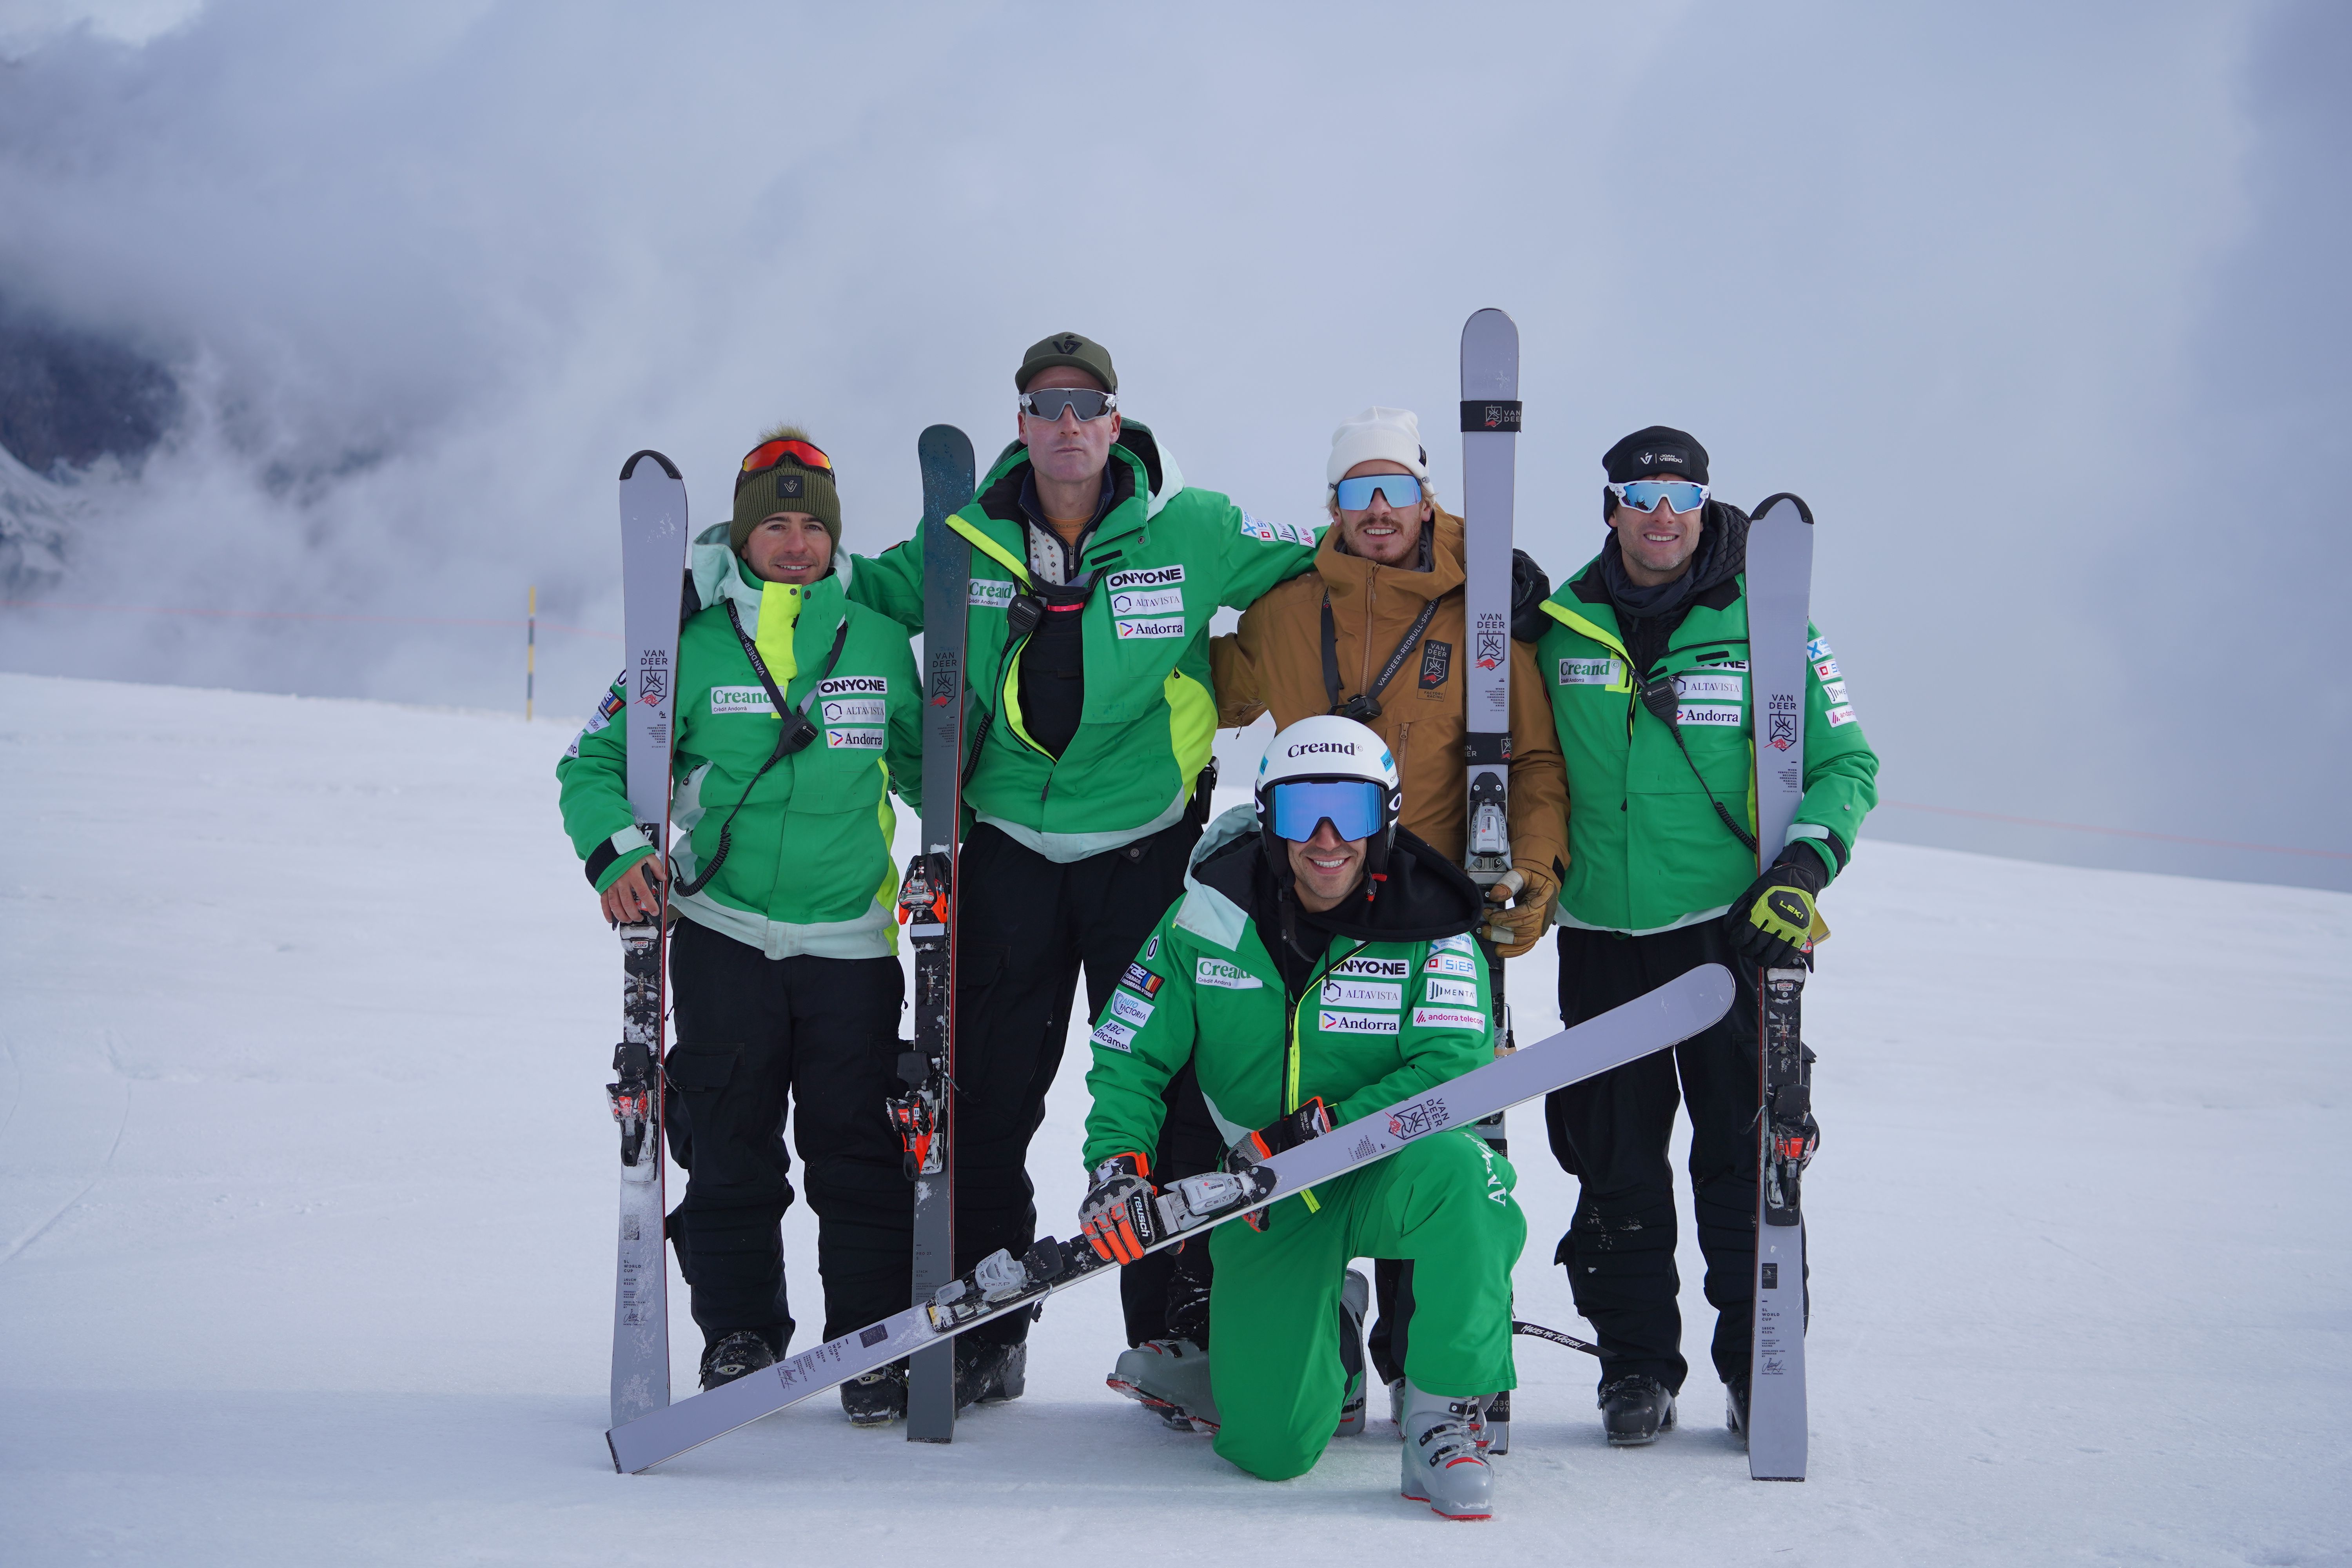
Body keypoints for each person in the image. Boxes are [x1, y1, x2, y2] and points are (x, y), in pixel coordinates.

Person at [843, 333, 1320, 1405]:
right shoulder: (960, 544)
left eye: (1087, 405)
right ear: (1021, 422)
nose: (1067, 425)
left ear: (1117, 424)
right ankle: (985, 1328)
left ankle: (1175, 1329)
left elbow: (1333, 550)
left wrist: (1474, 564)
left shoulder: (1194, 529)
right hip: (1005, 853)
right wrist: (721, 580)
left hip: (1146, 856)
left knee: (1167, 1098)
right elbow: (859, 592)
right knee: (990, 1097)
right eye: (1047, 405)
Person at [1108, 407, 1568, 1428]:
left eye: (1393, 492)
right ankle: (1270, 1325)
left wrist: (1533, 870)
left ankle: (1438, 1369)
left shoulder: (1487, 611)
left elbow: (1533, 760)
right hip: (1305, 906)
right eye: (1356, 495)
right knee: (1258, 1099)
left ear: (1425, 498)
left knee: (1450, 1135)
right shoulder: (1287, 610)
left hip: (1443, 917)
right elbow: (1197, 685)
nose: (1376, 514)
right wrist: (1104, 654)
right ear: (1333, 508)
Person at [557, 427, 928, 1424]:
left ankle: (868, 1338)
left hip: (850, 940)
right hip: (720, 933)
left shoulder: (881, 640)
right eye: (778, 525)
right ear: (745, 532)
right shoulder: (681, 639)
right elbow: (593, 764)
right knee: (726, 1141)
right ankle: (741, 1332)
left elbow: (935, 770)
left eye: (813, 525)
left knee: (855, 1148)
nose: (796, 544)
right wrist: (619, 851)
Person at [1077, 715, 1524, 1519]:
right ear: (1269, 816)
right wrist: (1116, 1166)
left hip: (1389, 1166)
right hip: (1265, 1190)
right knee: (1272, 1448)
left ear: (1383, 819)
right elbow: (1129, 1048)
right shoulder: (1206, 915)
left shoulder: (1435, 917)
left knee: (1473, 1177)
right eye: (1299, 812)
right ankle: (1330, 1349)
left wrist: (1325, 1126)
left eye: (1349, 814)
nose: (1325, 839)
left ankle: (1443, 1415)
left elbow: (1454, 1061)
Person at [1529, 425, 1878, 1445]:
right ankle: (1635, 1368)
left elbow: (1844, 762)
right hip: (1601, 937)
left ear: (1704, 503)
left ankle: (1757, 1366)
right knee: (1613, 1161)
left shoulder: (1773, 623)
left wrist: (1804, 870)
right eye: (1641, 496)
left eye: (1680, 493)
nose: (1663, 513)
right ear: (1612, 511)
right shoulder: (1561, 625)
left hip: (1733, 938)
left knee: (1740, 1155)